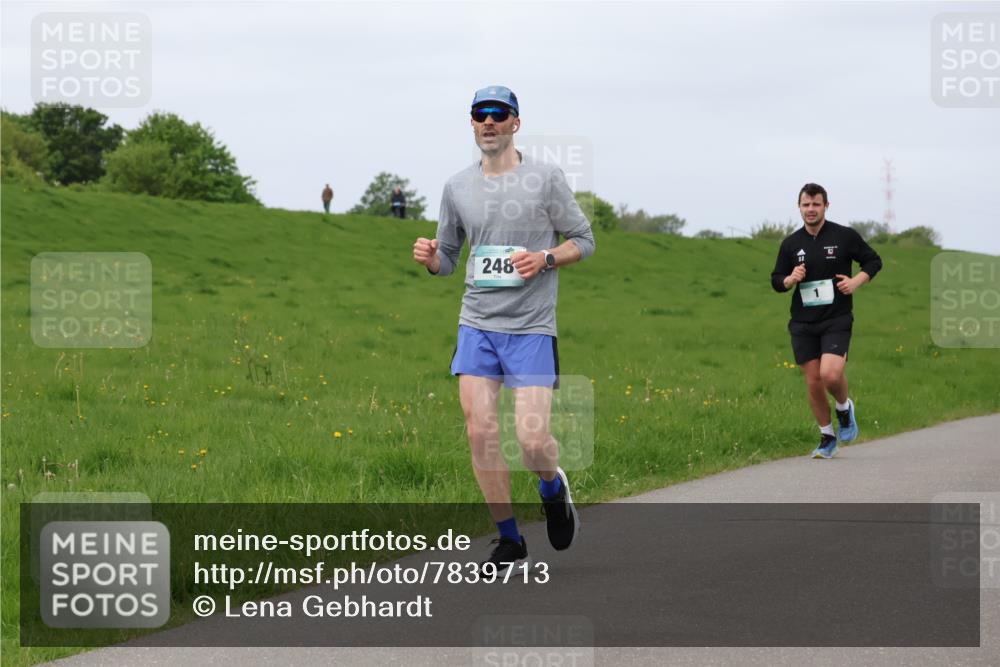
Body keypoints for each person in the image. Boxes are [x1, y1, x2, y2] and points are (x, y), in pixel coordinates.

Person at [412, 85, 595, 575]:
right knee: (480, 431)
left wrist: (546, 257)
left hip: (531, 325)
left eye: (498, 113)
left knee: (532, 441)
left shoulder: (545, 178)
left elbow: (584, 239)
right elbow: (449, 259)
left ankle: (552, 488)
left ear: (516, 122)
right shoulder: (456, 187)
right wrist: (432, 259)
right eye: (480, 114)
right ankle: (511, 540)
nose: (488, 121)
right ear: (472, 123)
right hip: (477, 323)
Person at [771, 183, 883, 459]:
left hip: (836, 318)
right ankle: (827, 437)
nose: (811, 209)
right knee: (813, 382)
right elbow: (776, 280)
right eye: (806, 204)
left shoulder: (844, 236)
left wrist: (856, 281)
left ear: (826, 206)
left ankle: (844, 408)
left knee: (830, 375)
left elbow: (873, 261)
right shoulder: (791, 243)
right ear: (799, 207)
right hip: (803, 322)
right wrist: (790, 279)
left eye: (816, 204)